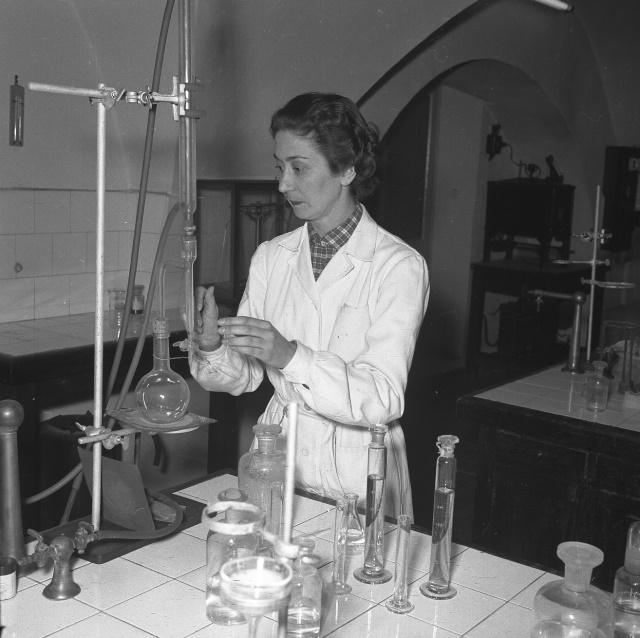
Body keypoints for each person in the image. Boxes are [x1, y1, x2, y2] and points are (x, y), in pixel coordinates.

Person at [190, 92, 429, 518]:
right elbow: (246, 375)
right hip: (279, 456)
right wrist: (213, 346)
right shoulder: (271, 256)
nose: (284, 184)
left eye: (299, 168)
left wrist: (290, 356)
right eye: (280, 167)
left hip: (361, 468)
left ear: (347, 169)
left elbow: (383, 399)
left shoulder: (398, 266)